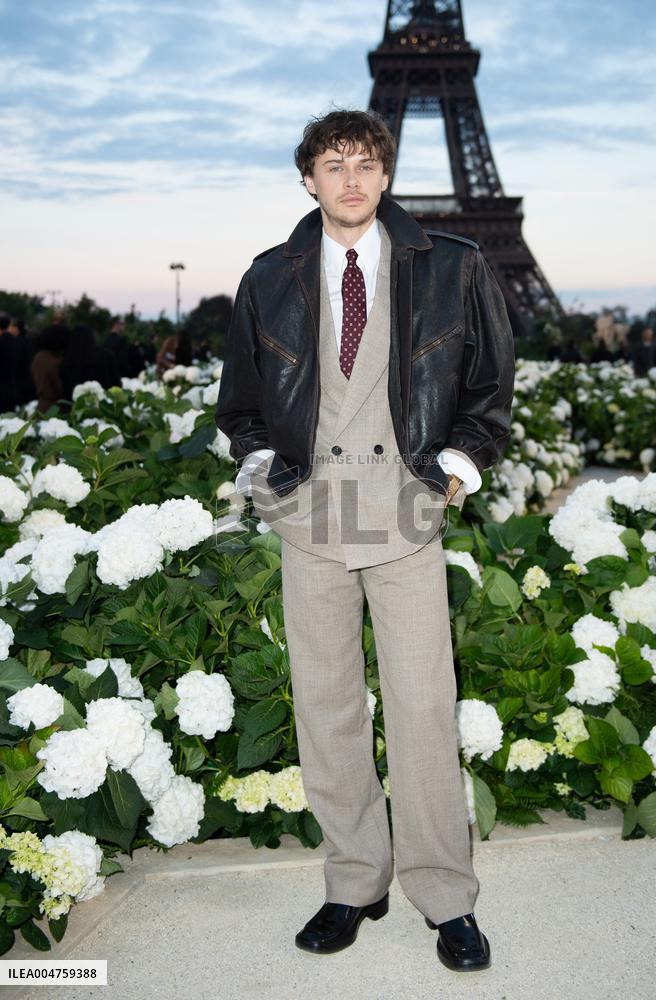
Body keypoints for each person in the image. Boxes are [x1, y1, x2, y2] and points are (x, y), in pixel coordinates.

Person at [215, 109, 515, 973]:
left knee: (423, 707)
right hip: (310, 511)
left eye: (367, 162)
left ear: (386, 175)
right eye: (333, 163)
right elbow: (241, 401)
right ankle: (353, 881)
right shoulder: (268, 277)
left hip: (404, 506)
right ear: (308, 178)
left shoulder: (452, 265)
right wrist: (264, 465)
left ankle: (445, 896)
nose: (351, 178)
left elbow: (491, 381)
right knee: (327, 704)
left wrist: (459, 459)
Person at [59, 323, 121, 402]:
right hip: (104, 407)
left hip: (74, 409)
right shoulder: (107, 356)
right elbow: (117, 385)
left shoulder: (66, 360)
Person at [30, 323, 69, 413]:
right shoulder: (55, 361)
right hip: (54, 408)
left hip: (41, 405)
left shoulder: (39, 357)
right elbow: (58, 387)